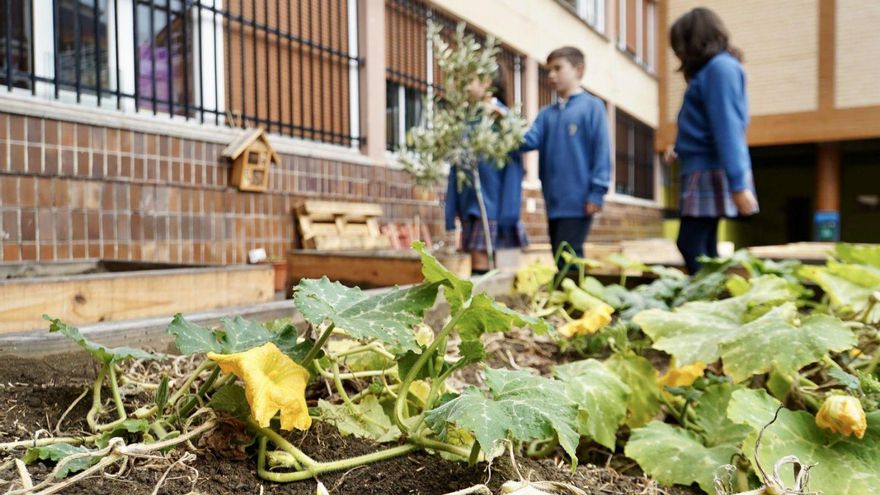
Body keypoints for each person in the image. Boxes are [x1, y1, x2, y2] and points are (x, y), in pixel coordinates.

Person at [666, 7, 759, 274]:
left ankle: (705, 299)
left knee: (690, 242)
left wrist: (739, 184)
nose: (677, 53)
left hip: (708, 169)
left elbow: (728, 127)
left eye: (678, 45)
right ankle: (713, 297)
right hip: (702, 165)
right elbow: (706, 123)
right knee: (706, 245)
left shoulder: (719, 69)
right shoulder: (715, 70)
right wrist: (680, 147)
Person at [520, 46, 610, 268]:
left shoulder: (592, 107)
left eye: (558, 68)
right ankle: (569, 299)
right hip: (554, 201)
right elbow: (527, 141)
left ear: (578, 70)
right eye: (549, 70)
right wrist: (501, 121)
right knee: (560, 256)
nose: (551, 75)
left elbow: (602, 152)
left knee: (570, 256)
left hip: (579, 201)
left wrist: (597, 192)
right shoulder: (545, 114)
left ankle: (575, 299)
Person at [444, 67, 528, 273]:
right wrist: (451, 211)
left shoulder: (504, 121)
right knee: (476, 269)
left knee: (497, 271)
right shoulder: (465, 121)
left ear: (487, 82)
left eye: (469, 79)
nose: (463, 85)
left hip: (493, 208)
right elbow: (456, 168)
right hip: (470, 206)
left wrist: (508, 215)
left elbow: (514, 169)